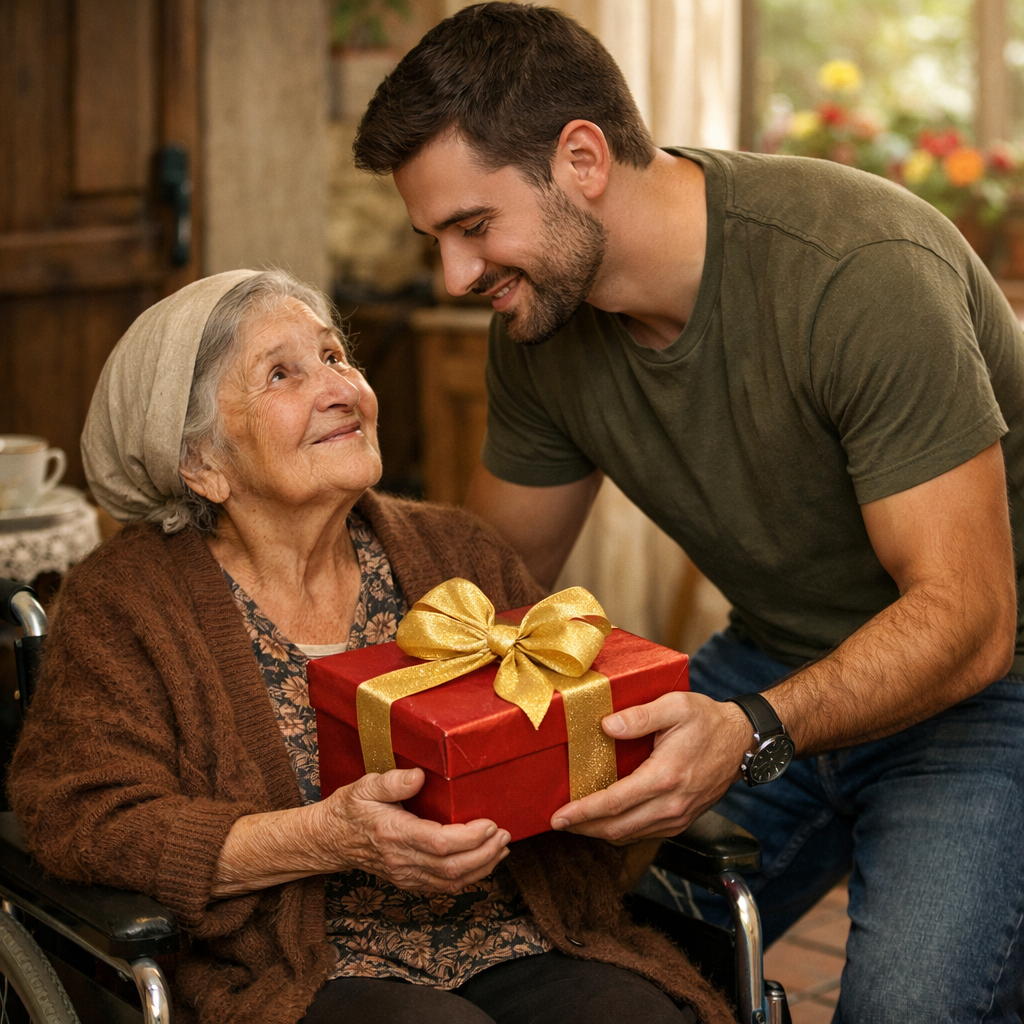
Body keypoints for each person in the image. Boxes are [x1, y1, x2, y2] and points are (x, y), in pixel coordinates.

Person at [351, 4, 1024, 1021]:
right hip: (772, 656)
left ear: (582, 159)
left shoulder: (857, 270)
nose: (455, 274)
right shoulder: (540, 326)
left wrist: (750, 729)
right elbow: (490, 593)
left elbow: (970, 618)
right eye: (434, 239)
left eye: (473, 226)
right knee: (601, 974)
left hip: (988, 686)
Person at [7, 270, 734, 1024]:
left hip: (525, 932)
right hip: (293, 967)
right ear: (201, 464)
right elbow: (84, 820)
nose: (339, 388)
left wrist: (624, 754)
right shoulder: (127, 603)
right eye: (281, 374)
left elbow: (563, 727)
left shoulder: (455, 551)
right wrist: (325, 839)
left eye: (334, 356)